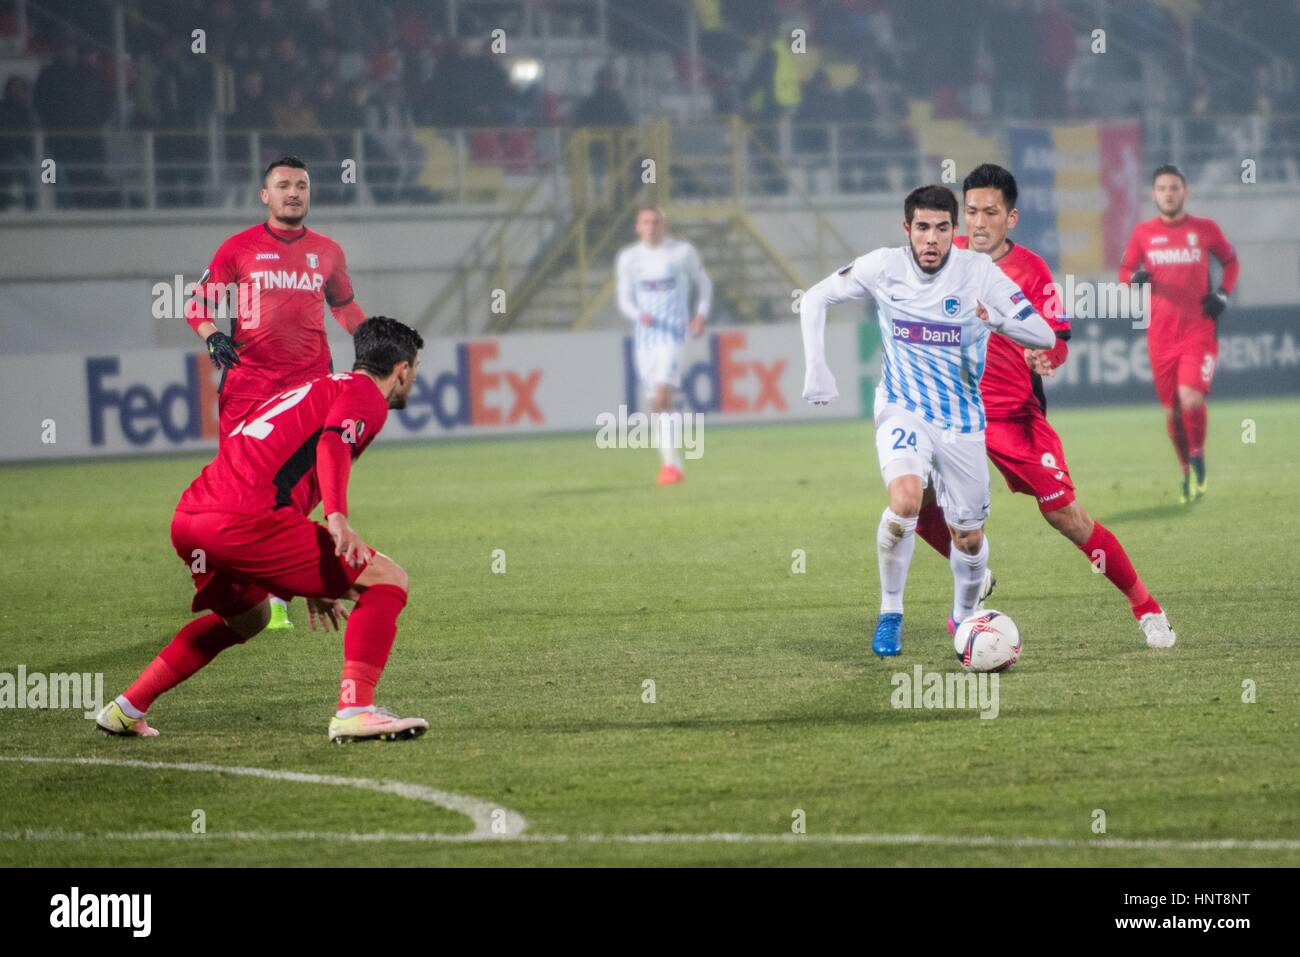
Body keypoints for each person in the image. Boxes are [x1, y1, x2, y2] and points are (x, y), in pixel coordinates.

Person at [96, 317, 429, 743]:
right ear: (402, 369)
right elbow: (332, 444)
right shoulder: (366, 396)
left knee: (248, 619)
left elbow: (276, 471)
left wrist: (309, 580)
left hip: (193, 518)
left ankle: (127, 707)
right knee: (387, 579)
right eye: (415, 369)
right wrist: (337, 518)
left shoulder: (319, 388)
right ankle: (355, 709)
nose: (413, 378)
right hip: (245, 520)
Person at [912, 164, 1175, 648]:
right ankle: (972, 572)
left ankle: (1147, 607)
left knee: (1066, 517)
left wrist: (1045, 355)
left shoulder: (1033, 271)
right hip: (951, 412)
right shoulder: (944, 256)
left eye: (990, 212)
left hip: (1014, 416)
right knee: (912, 498)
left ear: (1011, 218)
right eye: (970, 211)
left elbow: (1058, 340)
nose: (978, 222)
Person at [800, 185, 1056, 657]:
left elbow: (1041, 332)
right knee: (905, 500)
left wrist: (999, 321)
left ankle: (963, 619)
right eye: (922, 228)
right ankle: (890, 613)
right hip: (902, 408)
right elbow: (814, 298)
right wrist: (817, 368)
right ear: (907, 230)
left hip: (961, 421)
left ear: (954, 231)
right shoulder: (884, 267)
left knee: (969, 536)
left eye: (942, 228)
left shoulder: (979, 273)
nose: (931, 239)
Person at [185, 155, 367, 630]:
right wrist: (210, 333)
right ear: (265, 195)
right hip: (249, 387)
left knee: (298, 488)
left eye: (302, 185)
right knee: (240, 493)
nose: (293, 193)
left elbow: (345, 309)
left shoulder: (328, 251)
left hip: (309, 386)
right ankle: (237, 587)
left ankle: (280, 588)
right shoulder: (237, 248)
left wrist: (374, 344)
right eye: (283, 185)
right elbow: (198, 302)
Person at [1119, 164, 1239, 504]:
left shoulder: (1205, 229)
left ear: (1185, 193)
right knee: (1172, 413)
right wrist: (1133, 280)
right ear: (1153, 195)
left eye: (1174, 188)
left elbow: (1231, 262)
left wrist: (1223, 293)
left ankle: (1198, 456)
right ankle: (1186, 471)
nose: (1168, 194)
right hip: (1160, 336)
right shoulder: (1144, 233)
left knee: (1191, 398)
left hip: (1198, 330)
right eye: (1162, 189)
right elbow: (1125, 270)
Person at [615, 206, 713, 484]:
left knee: (661, 394)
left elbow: (704, 283)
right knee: (655, 404)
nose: (651, 226)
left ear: (664, 225)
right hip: (644, 338)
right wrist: (637, 315)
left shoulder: (681, 252)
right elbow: (623, 297)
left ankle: (671, 467)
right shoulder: (629, 258)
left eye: (656, 221)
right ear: (637, 227)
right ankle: (672, 464)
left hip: (673, 334)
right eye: (646, 222)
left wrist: (700, 315)